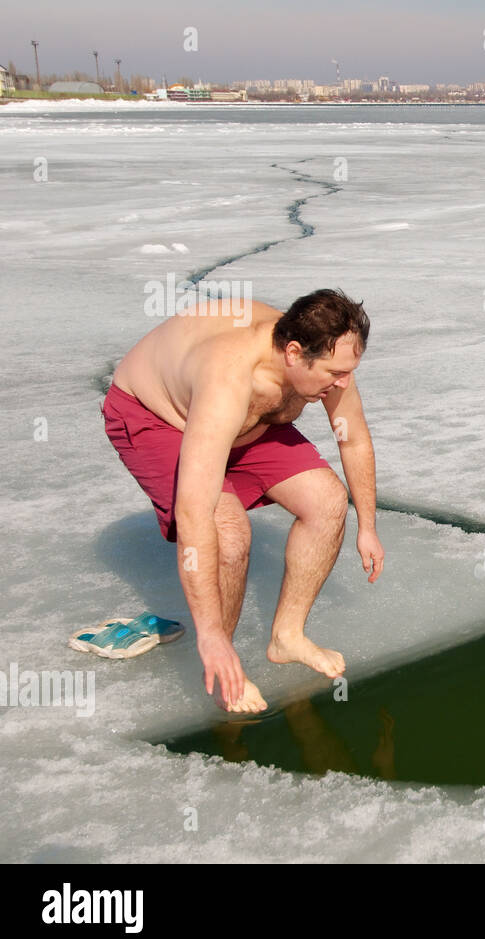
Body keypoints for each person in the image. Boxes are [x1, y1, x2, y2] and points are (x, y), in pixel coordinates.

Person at [102, 288, 385, 713]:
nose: (342, 383)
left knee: (327, 500)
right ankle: (222, 661)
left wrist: (367, 526)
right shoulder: (229, 375)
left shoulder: (328, 356)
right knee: (229, 533)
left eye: (348, 371)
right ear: (293, 352)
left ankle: (286, 637)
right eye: (334, 373)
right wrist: (210, 634)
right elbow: (194, 511)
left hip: (246, 424)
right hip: (159, 417)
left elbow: (354, 439)